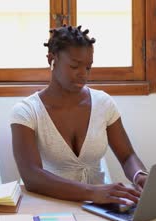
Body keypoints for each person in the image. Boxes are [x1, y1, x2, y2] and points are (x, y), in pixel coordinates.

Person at [10, 25, 148, 206]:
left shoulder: (104, 104)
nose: (83, 74)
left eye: (88, 67)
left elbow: (127, 156)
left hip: (99, 207)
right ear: (52, 59)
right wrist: (93, 192)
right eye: (74, 66)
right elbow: (31, 176)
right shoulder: (26, 111)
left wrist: (140, 176)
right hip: (48, 206)